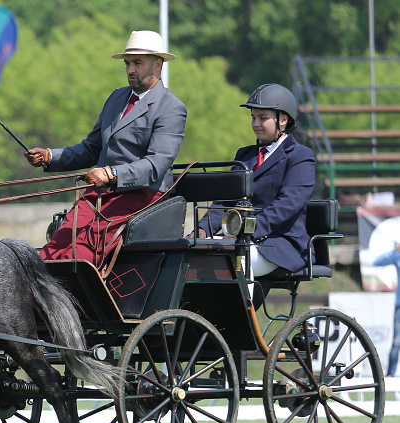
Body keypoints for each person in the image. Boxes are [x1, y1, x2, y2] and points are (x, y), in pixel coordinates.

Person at [25, 30, 187, 269]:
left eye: (138, 63)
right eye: (127, 63)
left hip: (143, 195)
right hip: (100, 194)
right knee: (53, 251)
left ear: (157, 65)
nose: (130, 69)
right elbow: (91, 149)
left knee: (79, 255)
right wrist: (50, 156)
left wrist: (111, 174)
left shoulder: (171, 107)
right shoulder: (116, 98)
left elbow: (156, 166)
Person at [195, 83, 315, 307]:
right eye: (253, 117)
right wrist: (202, 230)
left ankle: (241, 325)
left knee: (238, 257)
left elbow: (288, 205)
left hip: (281, 244)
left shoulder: (299, 156)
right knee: (198, 256)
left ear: (283, 120)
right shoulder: (245, 155)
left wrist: (246, 230)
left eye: (262, 118)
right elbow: (225, 200)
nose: (256, 124)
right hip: (243, 239)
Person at [373, 242, 400, 376]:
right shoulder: (398, 256)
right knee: (397, 341)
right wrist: (394, 250)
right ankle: (390, 374)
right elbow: (377, 262)